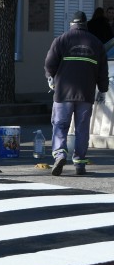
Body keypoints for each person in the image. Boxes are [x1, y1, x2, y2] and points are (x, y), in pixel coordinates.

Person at [44, 10, 108, 176]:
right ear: (85, 25)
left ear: (71, 24)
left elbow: (50, 64)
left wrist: (51, 78)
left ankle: (59, 155)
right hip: (85, 93)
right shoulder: (97, 43)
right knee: (81, 128)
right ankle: (79, 163)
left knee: (60, 125)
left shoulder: (61, 40)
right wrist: (103, 89)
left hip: (63, 93)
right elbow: (103, 70)